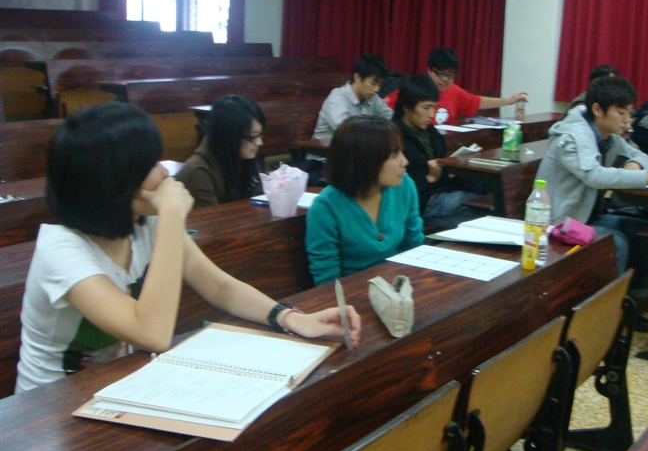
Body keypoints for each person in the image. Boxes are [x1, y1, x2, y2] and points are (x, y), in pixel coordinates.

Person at [16, 103, 360, 393]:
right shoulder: (60, 249)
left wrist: (290, 318)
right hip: (50, 408)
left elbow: (218, 286)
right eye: (152, 165)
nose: (165, 173)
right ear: (115, 182)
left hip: (118, 385)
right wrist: (170, 214)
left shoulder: (143, 225)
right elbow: (152, 334)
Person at [537, 77, 648, 328]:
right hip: (556, 222)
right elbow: (594, 176)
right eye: (621, 112)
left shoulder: (607, 134)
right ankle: (603, 319)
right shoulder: (573, 135)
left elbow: (641, 155)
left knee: (640, 231)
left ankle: (630, 303)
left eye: (629, 111)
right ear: (598, 109)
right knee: (615, 241)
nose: (627, 120)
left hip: (585, 216)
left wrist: (635, 165)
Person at [305, 116, 424, 286]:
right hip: (353, 292)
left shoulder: (404, 185)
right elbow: (328, 279)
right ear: (367, 160)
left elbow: (414, 246)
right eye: (394, 155)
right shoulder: (326, 207)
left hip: (399, 285)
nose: (405, 161)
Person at [392, 74, 484, 229]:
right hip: (424, 200)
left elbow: (440, 162)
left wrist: (452, 167)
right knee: (479, 209)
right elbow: (396, 188)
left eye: (434, 107)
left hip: (444, 191)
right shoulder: (394, 136)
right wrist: (429, 178)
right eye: (426, 107)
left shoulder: (430, 131)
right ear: (407, 107)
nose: (432, 114)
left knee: (488, 198)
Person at [384, 48, 527, 125]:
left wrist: (509, 100)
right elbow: (384, 108)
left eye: (450, 75)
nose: (445, 80)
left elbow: (477, 101)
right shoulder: (415, 89)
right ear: (429, 70)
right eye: (440, 74)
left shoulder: (453, 91)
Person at [176, 95, 265, 207]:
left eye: (260, 134)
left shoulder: (244, 159)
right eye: (252, 136)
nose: (259, 142)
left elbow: (259, 203)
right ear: (229, 136)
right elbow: (213, 217)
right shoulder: (198, 173)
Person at [311, 54, 393, 140]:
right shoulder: (337, 97)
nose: (377, 89)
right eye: (373, 83)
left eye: (380, 85)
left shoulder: (373, 98)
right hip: (324, 147)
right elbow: (345, 130)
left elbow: (392, 118)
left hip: (355, 146)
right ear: (357, 77)